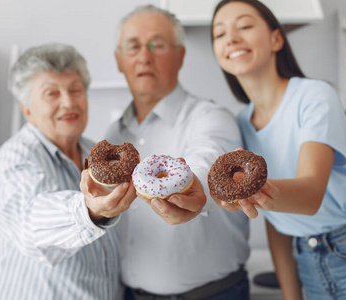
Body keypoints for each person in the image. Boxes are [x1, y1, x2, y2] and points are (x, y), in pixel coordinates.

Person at [210, 1, 346, 299]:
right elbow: (279, 220)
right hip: (306, 259)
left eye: (244, 26)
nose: (231, 38)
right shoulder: (242, 123)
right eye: (219, 34)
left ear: (276, 39)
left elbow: (310, 195)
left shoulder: (314, 95)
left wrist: (248, 191)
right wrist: (290, 294)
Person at [92, 4, 250, 299]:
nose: (144, 56)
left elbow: (208, 158)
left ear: (180, 55)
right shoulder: (113, 136)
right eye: (133, 46)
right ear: (118, 60)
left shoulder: (211, 117)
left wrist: (194, 188)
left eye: (157, 45)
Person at [0, 43, 137, 300]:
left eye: (75, 89)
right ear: (27, 110)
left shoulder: (94, 154)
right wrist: (90, 211)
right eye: (51, 94)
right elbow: (31, 223)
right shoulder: (15, 158)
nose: (69, 102)